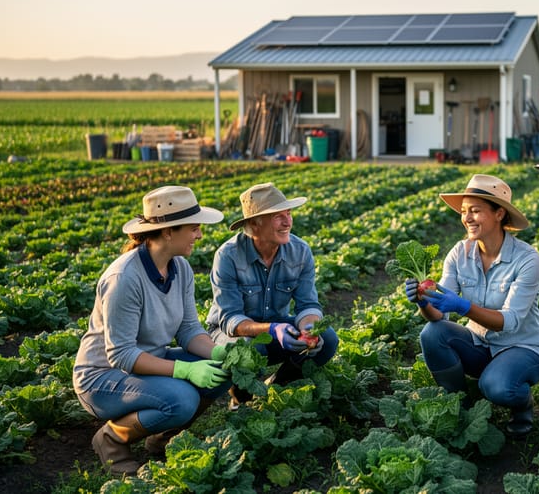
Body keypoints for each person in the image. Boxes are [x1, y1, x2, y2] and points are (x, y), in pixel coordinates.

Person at [73, 186, 230, 475]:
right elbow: (121, 355)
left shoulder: (179, 268)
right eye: (194, 228)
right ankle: (111, 439)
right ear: (168, 232)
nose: (199, 235)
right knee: (182, 398)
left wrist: (221, 351)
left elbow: (188, 329)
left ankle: (163, 437)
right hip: (102, 377)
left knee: (222, 370)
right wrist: (183, 369)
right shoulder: (124, 279)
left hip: (144, 364)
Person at [405, 174, 539, 437]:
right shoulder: (460, 253)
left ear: (499, 213)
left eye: (475, 211)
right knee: (432, 334)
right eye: (463, 212)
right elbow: (439, 315)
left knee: (497, 387)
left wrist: (464, 306)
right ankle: (459, 405)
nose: (467, 218)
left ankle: (522, 402)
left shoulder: (527, 259)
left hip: (523, 346)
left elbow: (510, 321)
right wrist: (422, 301)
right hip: (480, 343)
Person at [206, 182, 339, 408]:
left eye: (288, 213)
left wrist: (309, 328)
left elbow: (308, 305)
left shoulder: (300, 250)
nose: (288, 222)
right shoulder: (228, 256)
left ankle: (275, 386)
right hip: (229, 333)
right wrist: (270, 329)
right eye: (278, 216)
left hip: (276, 329)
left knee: (327, 338)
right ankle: (241, 400)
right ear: (254, 224)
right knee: (248, 347)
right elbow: (230, 320)